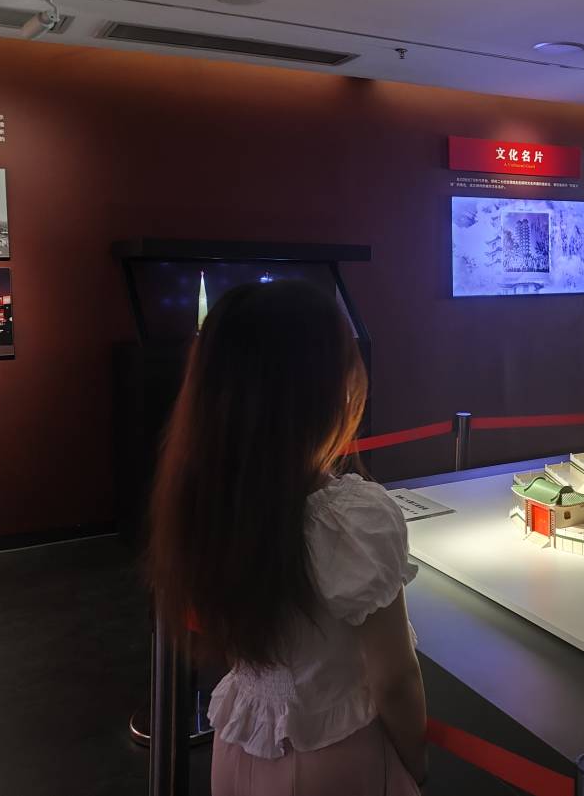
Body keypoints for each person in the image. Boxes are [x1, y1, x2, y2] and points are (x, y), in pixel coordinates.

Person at [146, 280, 427, 796]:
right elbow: (393, 679)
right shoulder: (351, 518)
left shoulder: (203, 498)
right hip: (335, 760)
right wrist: (417, 762)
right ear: (320, 391)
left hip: (236, 749)